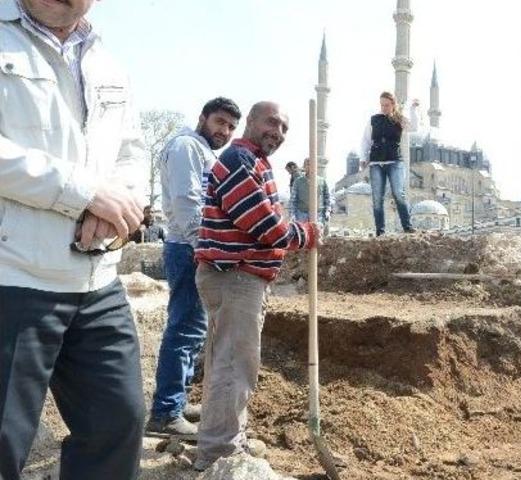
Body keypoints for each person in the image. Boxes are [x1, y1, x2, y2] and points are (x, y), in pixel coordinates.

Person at [0, 0, 147, 478]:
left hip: (95, 281)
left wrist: (120, 203)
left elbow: (131, 150)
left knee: (117, 425)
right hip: (13, 276)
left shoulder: (105, 59)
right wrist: (84, 193)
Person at [193, 101, 318, 471]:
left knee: (226, 363)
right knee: (234, 365)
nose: (277, 132)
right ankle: (219, 455)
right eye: (271, 122)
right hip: (235, 275)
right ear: (250, 122)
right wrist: (307, 234)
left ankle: (225, 441)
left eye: (284, 128)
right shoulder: (239, 162)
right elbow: (265, 227)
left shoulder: (255, 163)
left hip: (238, 275)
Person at [145, 97, 241, 439]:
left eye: (230, 127)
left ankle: (176, 401)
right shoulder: (187, 147)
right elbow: (189, 203)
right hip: (188, 249)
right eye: (219, 122)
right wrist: (206, 248)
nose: (224, 131)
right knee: (185, 328)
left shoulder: (203, 150)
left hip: (193, 248)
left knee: (194, 329)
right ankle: (165, 413)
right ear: (203, 118)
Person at [359, 91, 415, 236]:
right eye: (382, 105)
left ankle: (407, 227)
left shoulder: (399, 119)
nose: (384, 108)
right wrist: (363, 158)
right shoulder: (374, 120)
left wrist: (413, 109)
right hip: (376, 162)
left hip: (394, 161)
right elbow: (366, 140)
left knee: (398, 193)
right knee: (377, 197)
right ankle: (380, 231)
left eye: (387, 105)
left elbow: (414, 127)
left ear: (393, 105)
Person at [289, 157, 331, 227]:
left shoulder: (322, 181)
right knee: (304, 235)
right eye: (307, 164)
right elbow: (293, 200)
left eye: (312, 164)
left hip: (319, 215)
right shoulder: (298, 181)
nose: (310, 166)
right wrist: (292, 214)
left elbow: (327, 197)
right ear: (304, 167)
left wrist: (328, 211)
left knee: (317, 235)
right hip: (302, 214)